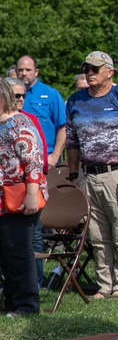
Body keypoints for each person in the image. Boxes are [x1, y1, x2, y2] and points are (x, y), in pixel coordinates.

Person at [66, 51, 118, 298]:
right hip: (89, 175)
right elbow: (71, 141)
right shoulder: (75, 100)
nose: (89, 73)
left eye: (95, 69)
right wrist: (73, 175)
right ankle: (104, 285)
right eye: (86, 69)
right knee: (98, 235)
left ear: (109, 72)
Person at [0, 80, 46, 317]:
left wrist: (31, 195)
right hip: (2, 199)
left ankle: (27, 305)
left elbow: (33, 162)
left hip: (20, 196)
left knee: (19, 251)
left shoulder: (19, 123)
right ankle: (12, 303)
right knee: (6, 253)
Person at [16, 56, 65, 169]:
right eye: (20, 70)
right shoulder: (7, 94)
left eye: (28, 70)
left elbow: (63, 127)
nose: (24, 73)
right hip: (16, 162)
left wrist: (54, 156)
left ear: (36, 72)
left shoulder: (51, 94)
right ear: (16, 71)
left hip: (45, 160)